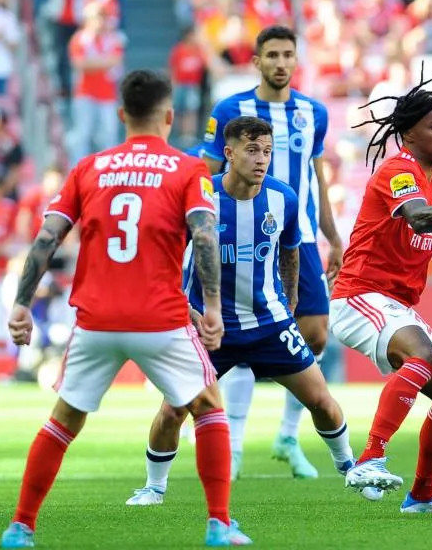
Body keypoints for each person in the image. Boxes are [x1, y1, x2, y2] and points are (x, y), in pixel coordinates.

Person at [0, 69, 251, 548]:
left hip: (96, 319)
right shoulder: (187, 169)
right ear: (169, 115)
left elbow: (48, 237)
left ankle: (20, 527)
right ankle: (219, 523)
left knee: (62, 420)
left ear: (121, 115)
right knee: (207, 405)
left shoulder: (88, 168)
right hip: (160, 317)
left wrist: (21, 304)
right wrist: (213, 305)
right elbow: (202, 234)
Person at [125, 116, 374, 506]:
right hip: (208, 327)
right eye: (253, 150)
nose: (261, 159)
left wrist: (290, 299)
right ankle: (153, 488)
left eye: (268, 152)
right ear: (229, 153)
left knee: (321, 400)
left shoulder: (283, 199)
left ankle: (352, 469)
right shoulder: (200, 198)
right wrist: (183, 307)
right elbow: (165, 255)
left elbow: (291, 250)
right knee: (173, 410)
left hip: (268, 323)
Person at [332, 68, 432, 513]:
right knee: (422, 355)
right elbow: (421, 218)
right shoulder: (398, 171)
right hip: (359, 295)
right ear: (408, 132)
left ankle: (423, 495)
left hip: (395, 303)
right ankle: (370, 458)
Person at [200, 25, 342, 479]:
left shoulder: (313, 113)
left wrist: (333, 235)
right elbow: (206, 174)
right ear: (257, 61)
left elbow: (316, 178)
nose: (281, 62)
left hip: (294, 237)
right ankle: (236, 444)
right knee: (237, 340)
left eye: (288, 55)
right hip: (233, 238)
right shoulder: (229, 110)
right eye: (273, 55)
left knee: (315, 333)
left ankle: (286, 434)